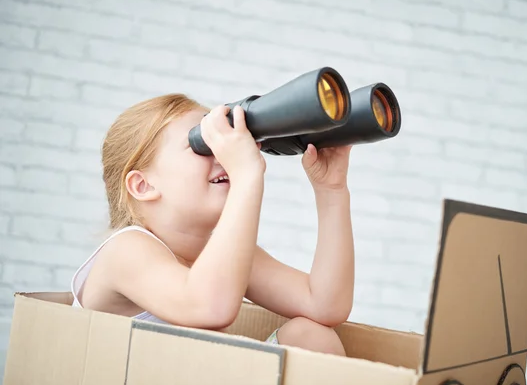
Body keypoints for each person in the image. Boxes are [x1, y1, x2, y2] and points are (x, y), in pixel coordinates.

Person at [70, 93, 355, 356]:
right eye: (201, 145)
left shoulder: (219, 252)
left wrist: (331, 191)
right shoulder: (126, 250)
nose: (222, 156)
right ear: (143, 185)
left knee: (311, 336)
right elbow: (208, 308)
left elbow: (324, 305)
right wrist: (245, 174)